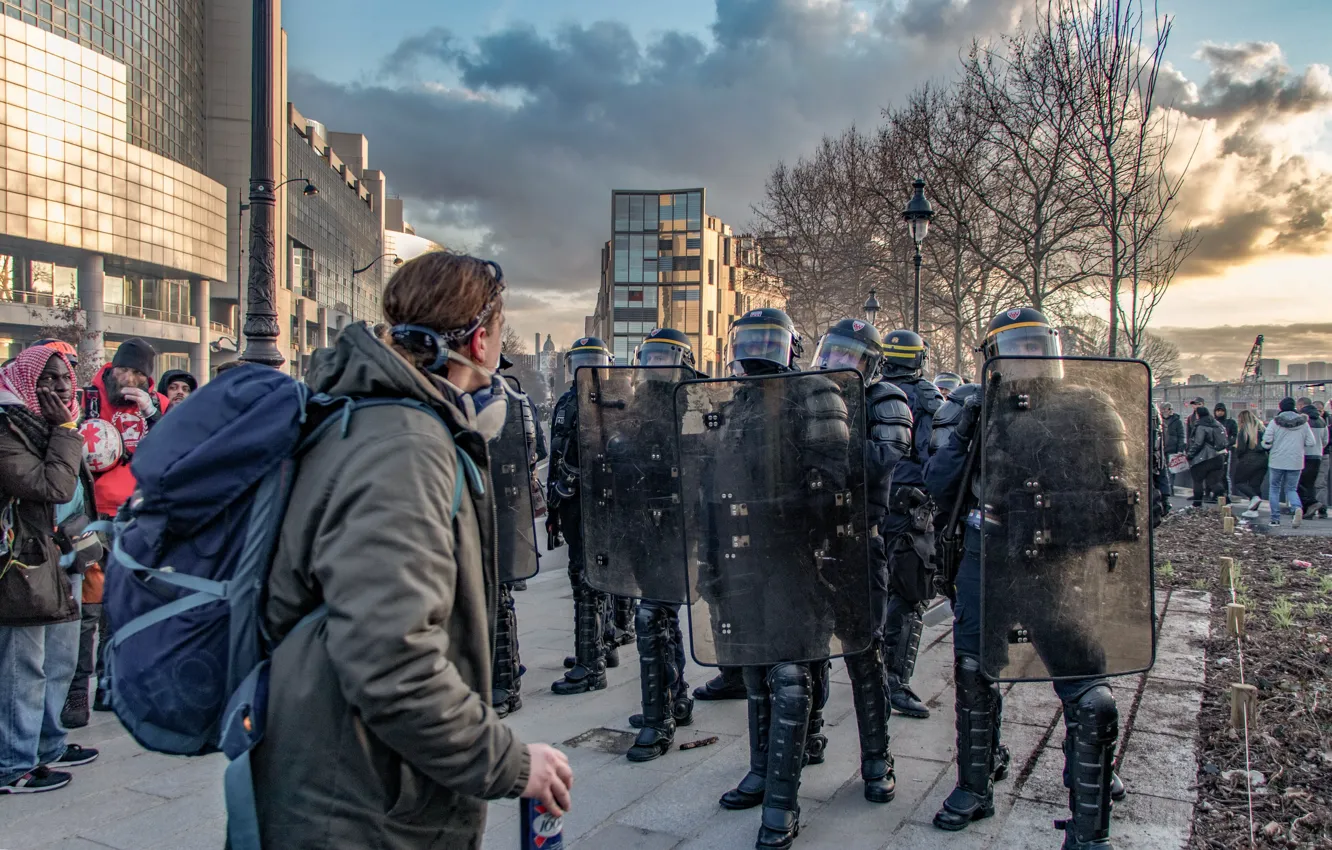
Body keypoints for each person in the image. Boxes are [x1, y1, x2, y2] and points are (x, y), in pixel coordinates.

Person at [250, 252, 573, 848]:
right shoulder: (407, 444)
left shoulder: (364, 415)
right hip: (360, 802)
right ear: (480, 342)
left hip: (345, 774)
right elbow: (393, 662)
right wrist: (515, 764)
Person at [926, 307, 1132, 848]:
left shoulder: (1091, 406)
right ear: (995, 358)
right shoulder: (977, 407)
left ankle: (1089, 780)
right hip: (988, 552)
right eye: (1018, 348)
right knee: (974, 669)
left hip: (1056, 561)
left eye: (1038, 345)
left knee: (1082, 677)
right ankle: (975, 784)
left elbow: (1120, 498)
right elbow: (939, 481)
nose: (1031, 357)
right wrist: (966, 425)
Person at [700, 307, 866, 848]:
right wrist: (710, 557)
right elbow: (713, 487)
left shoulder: (816, 393)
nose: (756, 349)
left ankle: (782, 801)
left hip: (797, 556)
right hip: (742, 556)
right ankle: (760, 768)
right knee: (752, 665)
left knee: (790, 674)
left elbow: (834, 483)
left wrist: (820, 547)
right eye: (749, 337)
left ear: (792, 345)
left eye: (768, 338)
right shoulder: (735, 403)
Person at [584, 327, 702, 762]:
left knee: (653, 616)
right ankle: (677, 697)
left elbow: (696, 457)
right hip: (642, 522)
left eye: (661, 357)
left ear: (681, 360)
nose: (652, 365)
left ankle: (659, 721)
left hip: (674, 523)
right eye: (647, 357)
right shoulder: (638, 400)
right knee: (659, 613)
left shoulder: (692, 399)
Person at [810, 318, 913, 802]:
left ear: (869, 364)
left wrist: (829, 440)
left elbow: (881, 458)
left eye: (848, 356)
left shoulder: (885, 399)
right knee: (804, 646)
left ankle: (877, 759)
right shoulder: (804, 392)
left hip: (857, 540)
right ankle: (806, 736)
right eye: (831, 352)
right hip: (808, 540)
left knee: (862, 654)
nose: (835, 363)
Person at [0, 346, 101, 794]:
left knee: (61, 661)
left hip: (66, 553)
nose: (61, 386)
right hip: (26, 561)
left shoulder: (56, 427)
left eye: (66, 378)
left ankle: (48, 746)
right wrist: (64, 430)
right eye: (50, 378)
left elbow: (80, 489)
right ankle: (13, 764)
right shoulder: (8, 428)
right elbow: (54, 486)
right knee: (25, 667)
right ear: (27, 380)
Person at [81, 338, 169, 712]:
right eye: (123, 370)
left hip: (138, 512)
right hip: (93, 511)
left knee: (129, 601)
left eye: (137, 373)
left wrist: (152, 415)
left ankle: (114, 683)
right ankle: (79, 689)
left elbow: (172, 448)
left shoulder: (157, 403)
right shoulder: (91, 396)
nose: (129, 379)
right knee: (90, 604)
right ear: (111, 367)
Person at [547, 336, 620, 695]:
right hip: (571, 502)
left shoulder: (613, 401)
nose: (586, 367)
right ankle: (598, 647)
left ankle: (589, 665)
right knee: (585, 573)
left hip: (599, 500)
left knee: (588, 575)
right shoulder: (565, 401)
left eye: (593, 360)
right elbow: (557, 450)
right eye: (580, 360)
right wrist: (552, 504)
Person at [877, 329, 943, 719]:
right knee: (908, 594)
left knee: (871, 590)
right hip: (908, 512)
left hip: (869, 507)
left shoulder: (869, 392)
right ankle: (894, 682)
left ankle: (869, 674)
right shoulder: (928, 398)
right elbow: (936, 458)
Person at [1262, 397, 1317, 528]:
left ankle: (1275, 519)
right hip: (1296, 460)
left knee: (1274, 488)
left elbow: (1267, 441)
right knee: (1291, 488)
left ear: (1280, 407)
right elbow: (1311, 442)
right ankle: (1297, 507)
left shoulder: (1275, 422)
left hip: (1277, 460)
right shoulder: (1303, 423)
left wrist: (1269, 445)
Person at [1187, 406, 1229, 508]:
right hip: (1218, 457)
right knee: (1214, 482)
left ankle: (1197, 504)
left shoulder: (1201, 426)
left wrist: (1190, 455)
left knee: (1197, 481)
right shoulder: (1218, 424)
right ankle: (1226, 501)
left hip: (1203, 458)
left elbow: (1198, 443)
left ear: (1198, 415)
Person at [1233, 410, 1268, 518]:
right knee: (1255, 485)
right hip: (1263, 460)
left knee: (1239, 482)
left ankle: (1254, 497)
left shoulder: (1244, 431)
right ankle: (1253, 510)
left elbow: (1241, 449)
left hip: (1248, 459)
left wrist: (1238, 456)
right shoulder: (1262, 429)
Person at [1296, 397, 1326, 516]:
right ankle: (1309, 509)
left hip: (1304, 455)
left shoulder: (1302, 419)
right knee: (1310, 483)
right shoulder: (1321, 420)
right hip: (1317, 455)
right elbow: (1325, 440)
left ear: (1302, 406)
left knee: (1299, 483)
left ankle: (1310, 503)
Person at [1213, 403, 1238, 499]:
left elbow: (1234, 436)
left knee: (1225, 474)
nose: (1220, 413)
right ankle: (1216, 493)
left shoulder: (1230, 423)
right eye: (1218, 411)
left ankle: (1227, 494)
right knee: (1215, 474)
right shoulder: (1212, 422)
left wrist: (1227, 444)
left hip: (1226, 451)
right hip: (1214, 451)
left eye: (1222, 411)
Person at [1161, 403, 1185, 494]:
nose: (1164, 411)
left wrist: (1180, 449)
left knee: (1171, 470)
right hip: (1161, 448)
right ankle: (1165, 488)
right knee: (1163, 469)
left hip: (1172, 449)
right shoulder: (1160, 420)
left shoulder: (1177, 421)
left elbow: (1181, 436)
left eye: (1166, 409)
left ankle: (1170, 488)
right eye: (1163, 409)